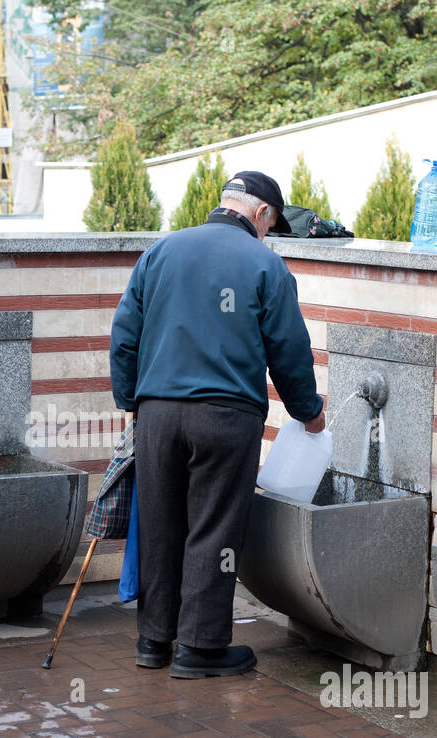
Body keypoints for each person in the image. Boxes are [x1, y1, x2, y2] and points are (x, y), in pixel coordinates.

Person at [109, 171, 325, 679]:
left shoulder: (161, 251)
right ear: (262, 214)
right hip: (226, 417)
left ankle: (153, 641)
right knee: (214, 528)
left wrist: (129, 399)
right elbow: (288, 349)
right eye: (271, 224)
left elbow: (125, 333)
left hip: (156, 412)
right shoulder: (265, 263)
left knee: (160, 524)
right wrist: (308, 413)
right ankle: (201, 648)